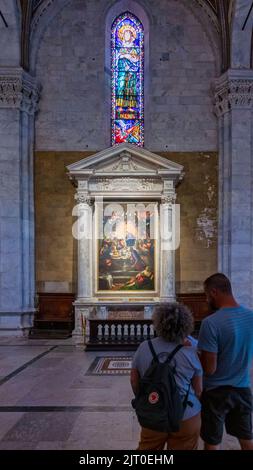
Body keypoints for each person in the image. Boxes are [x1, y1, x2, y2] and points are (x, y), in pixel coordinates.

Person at [130, 303, 203, 450]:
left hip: (153, 411)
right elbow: (199, 389)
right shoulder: (192, 349)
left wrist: (144, 399)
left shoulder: (144, 347)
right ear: (186, 324)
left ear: (158, 322)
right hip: (186, 414)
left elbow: (134, 380)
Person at [198, 273, 253, 450]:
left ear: (214, 292)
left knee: (212, 442)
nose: (207, 299)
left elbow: (210, 368)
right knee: (246, 439)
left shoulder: (211, 323)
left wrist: (195, 353)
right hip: (242, 387)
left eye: (206, 295)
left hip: (216, 392)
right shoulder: (250, 317)